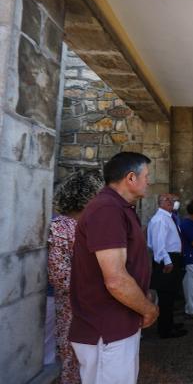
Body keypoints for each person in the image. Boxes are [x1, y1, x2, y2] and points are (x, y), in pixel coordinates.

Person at [69, 152, 158, 384]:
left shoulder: (119, 208)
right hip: (106, 329)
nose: (149, 181)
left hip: (118, 325)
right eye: (146, 175)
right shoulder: (107, 210)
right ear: (131, 178)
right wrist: (148, 309)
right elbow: (116, 279)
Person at [48, 170, 104, 383]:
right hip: (75, 310)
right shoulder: (61, 226)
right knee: (75, 362)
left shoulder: (93, 226)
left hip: (97, 309)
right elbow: (59, 274)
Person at [147, 193, 187, 338]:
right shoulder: (160, 219)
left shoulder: (167, 217)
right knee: (166, 297)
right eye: (167, 200)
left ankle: (170, 323)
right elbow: (158, 244)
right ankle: (165, 329)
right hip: (166, 260)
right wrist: (167, 261)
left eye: (172, 200)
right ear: (160, 202)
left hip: (172, 258)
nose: (171, 202)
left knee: (170, 295)